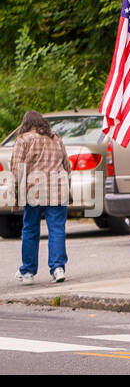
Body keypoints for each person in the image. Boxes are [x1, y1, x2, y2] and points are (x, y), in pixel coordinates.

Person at [12, 111, 70, 285]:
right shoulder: (56, 139)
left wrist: (17, 191)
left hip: (33, 189)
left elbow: (17, 169)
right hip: (58, 188)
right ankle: (58, 268)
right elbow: (66, 165)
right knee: (57, 229)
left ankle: (28, 271)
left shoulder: (23, 140)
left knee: (30, 229)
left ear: (26, 124)